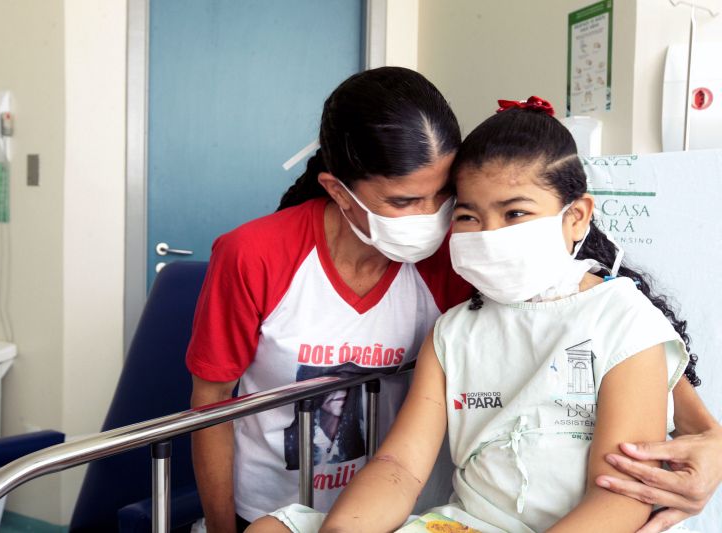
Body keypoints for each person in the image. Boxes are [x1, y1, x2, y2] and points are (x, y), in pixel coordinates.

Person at [247, 97, 720, 533]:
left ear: (576, 217)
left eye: (514, 214)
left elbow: (620, 497)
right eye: (468, 217)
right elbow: (400, 467)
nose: (489, 234)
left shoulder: (623, 322)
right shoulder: (453, 332)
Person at [186, 66, 473, 533]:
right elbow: (212, 401)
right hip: (269, 514)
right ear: (337, 190)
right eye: (403, 202)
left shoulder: (453, 260)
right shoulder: (254, 255)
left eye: (443, 194)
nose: (430, 216)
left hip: (397, 515)